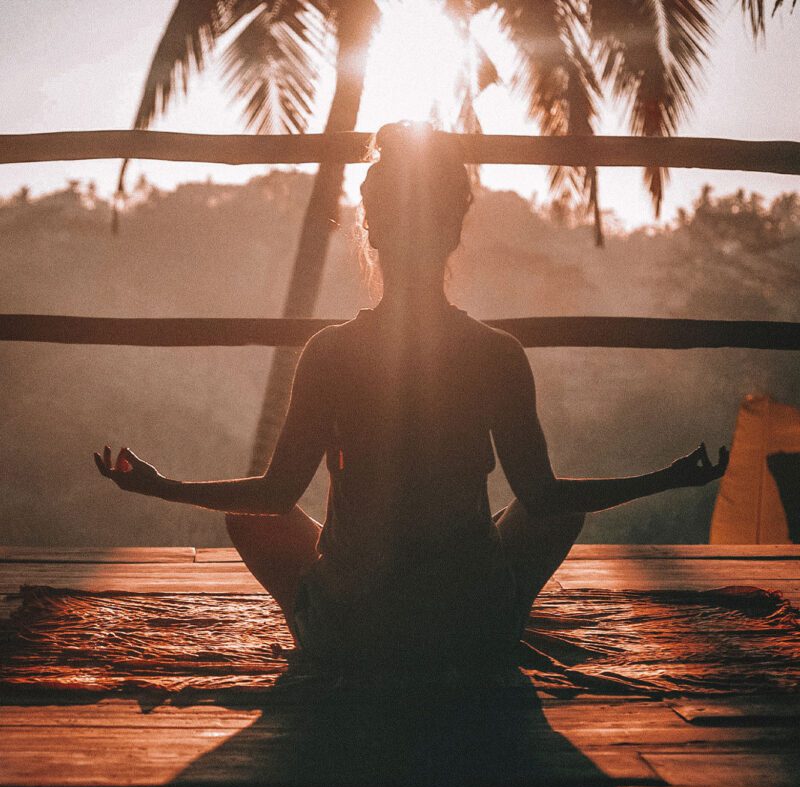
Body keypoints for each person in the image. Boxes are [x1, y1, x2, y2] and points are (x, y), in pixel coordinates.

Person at [95, 121, 728, 671]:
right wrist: (665, 478)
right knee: (557, 509)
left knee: (251, 518)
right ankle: (495, 618)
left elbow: (274, 495)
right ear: (453, 233)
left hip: (353, 635)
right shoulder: (496, 353)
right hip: (470, 630)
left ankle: (332, 623)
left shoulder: (330, 353)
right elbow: (544, 498)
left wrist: (160, 486)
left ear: (372, 231)